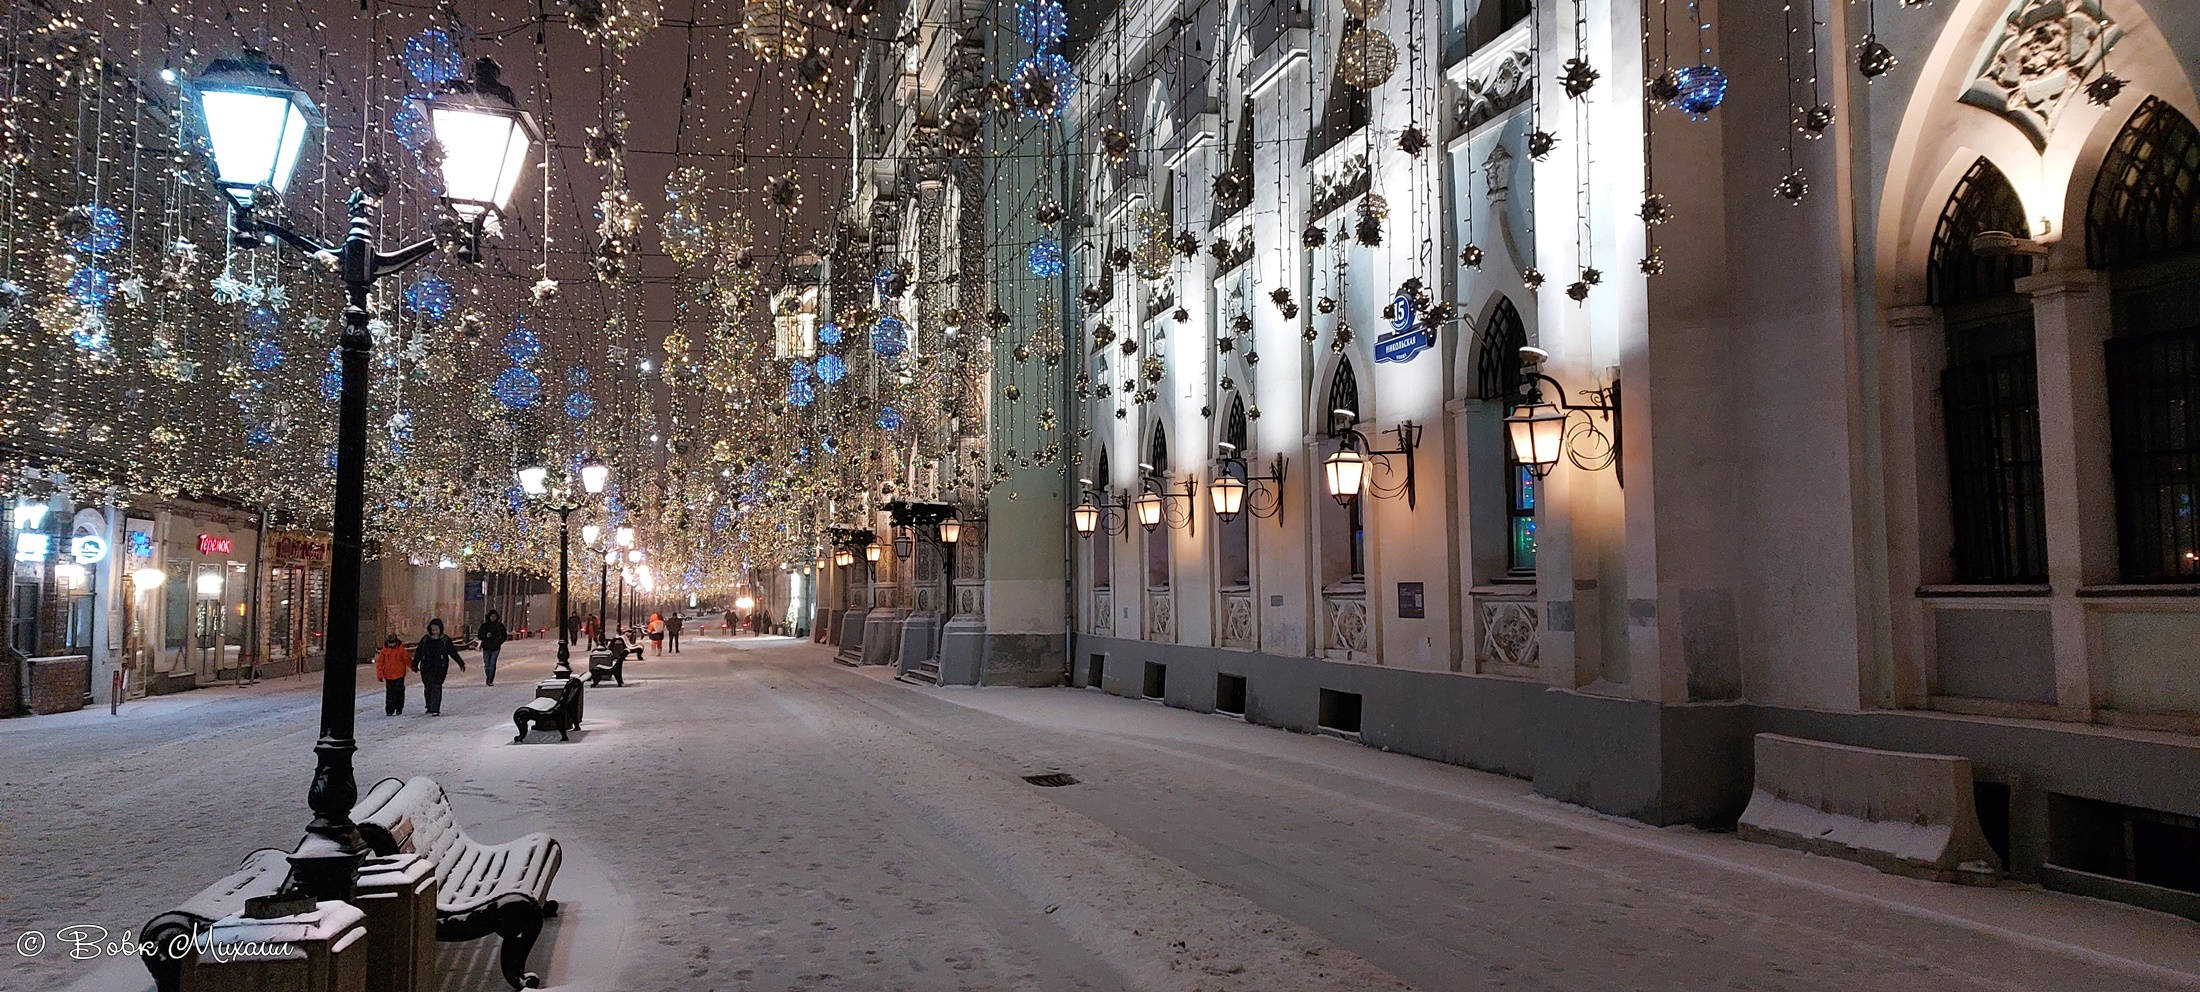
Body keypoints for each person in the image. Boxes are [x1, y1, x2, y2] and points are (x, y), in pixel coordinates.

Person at [412, 618, 466, 716]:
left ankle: (435, 708)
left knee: (436, 686)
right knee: (428, 687)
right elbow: (418, 653)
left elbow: (453, 652)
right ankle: (429, 705)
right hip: (426, 667)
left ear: (440, 629)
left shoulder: (445, 640)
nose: (434, 631)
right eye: (433, 629)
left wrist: (460, 662)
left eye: (436, 629)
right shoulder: (425, 639)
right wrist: (415, 664)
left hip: (440, 668)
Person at [375, 634, 411, 716]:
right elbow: (380, 663)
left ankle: (399, 708)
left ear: (396, 642)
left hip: (399, 675)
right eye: (389, 643)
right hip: (388, 676)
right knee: (390, 694)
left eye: (392, 643)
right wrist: (380, 674)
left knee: (399, 692)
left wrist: (413, 667)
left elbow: (407, 660)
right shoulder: (384, 651)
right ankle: (389, 710)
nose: (391, 644)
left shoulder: (401, 650)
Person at [478, 609, 509, 686]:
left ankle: (490, 680)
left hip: (495, 648)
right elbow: (479, 635)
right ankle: (488, 676)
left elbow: (504, 636)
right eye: (492, 616)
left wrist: (499, 642)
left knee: (492, 664)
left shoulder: (499, 626)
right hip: (486, 647)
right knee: (487, 665)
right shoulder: (484, 626)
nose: (493, 618)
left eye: (494, 616)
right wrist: (485, 636)